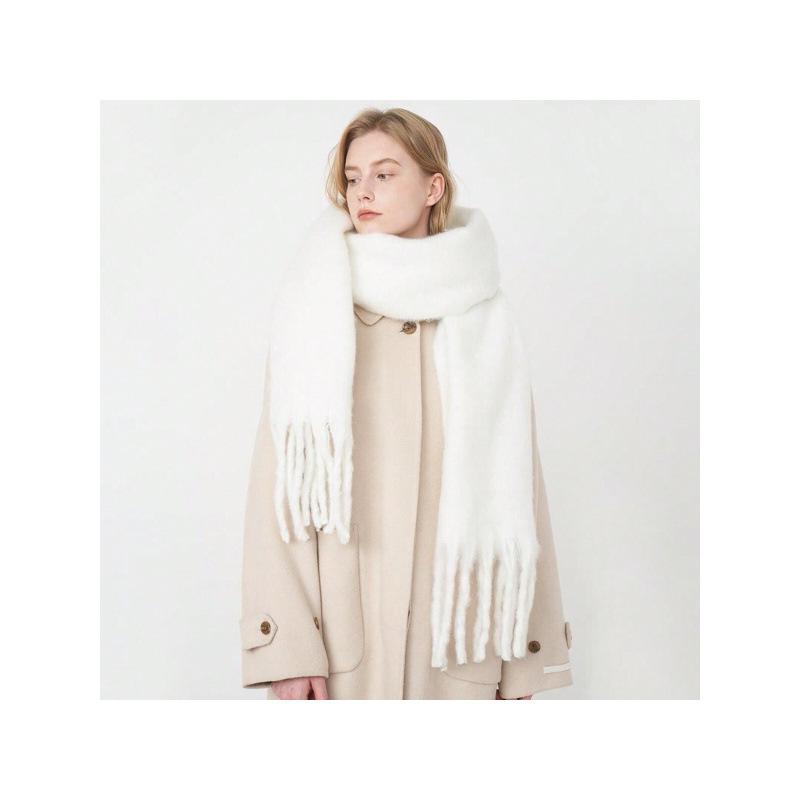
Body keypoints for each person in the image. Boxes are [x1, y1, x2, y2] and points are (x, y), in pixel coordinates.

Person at [240, 107, 573, 699]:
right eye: (352, 178)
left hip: (462, 655)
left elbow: (524, 494)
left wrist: (525, 662)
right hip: (342, 655)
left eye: (384, 174)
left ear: (433, 187)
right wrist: (288, 649)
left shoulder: (487, 324)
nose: (362, 192)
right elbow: (280, 491)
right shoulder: (315, 315)